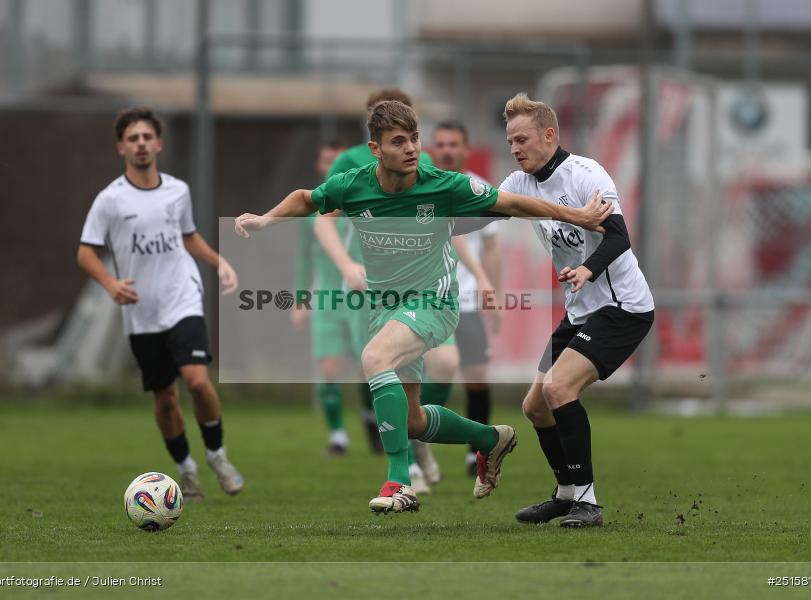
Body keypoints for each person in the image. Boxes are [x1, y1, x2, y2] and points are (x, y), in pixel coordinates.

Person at [235, 100, 612, 513]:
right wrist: (265, 219)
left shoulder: (443, 185)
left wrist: (575, 215)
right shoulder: (353, 184)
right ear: (376, 149)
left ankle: (399, 481)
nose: (412, 148)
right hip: (386, 308)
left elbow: (513, 204)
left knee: (374, 358)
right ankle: (492, 439)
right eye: (399, 142)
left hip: (434, 300)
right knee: (412, 420)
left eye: (414, 139)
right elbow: (308, 198)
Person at [498, 93, 655, 527]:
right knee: (535, 406)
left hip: (622, 307)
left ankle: (588, 501)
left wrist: (587, 269)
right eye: (510, 141)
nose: (515, 148)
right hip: (581, 312)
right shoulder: (518, 184)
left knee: (559, 389)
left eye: (523, 139)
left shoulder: (587, 175)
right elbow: (482, 210)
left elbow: (619, 236)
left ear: (549, 135)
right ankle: (566, 494)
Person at [77, 107, 244, 502]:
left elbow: (188, 236)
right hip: (141, 311)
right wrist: (110, 283)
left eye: (146, 137)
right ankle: (186, 470)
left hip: (181, 296)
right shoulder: (110, 200)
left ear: (158, 144)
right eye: (132, 138)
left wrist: (220, 262)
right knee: (165, 398)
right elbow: (85, 252)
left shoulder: (177, 190)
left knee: (199, 381)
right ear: (122, 147)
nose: (141, 144)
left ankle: (217, 455)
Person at [315, 88, 461, 495]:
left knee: (443, 363)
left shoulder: (422, 163)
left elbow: (450, 222)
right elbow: (321, 218)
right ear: (373, 138)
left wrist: (480, 274)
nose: (409, 144)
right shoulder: (350, 165)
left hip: (428, 289)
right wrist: (347, 266)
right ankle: (407, 465)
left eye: (412, 132)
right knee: (380, 364)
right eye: (395, 134)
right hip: (374, 288)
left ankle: (417, 442)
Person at [291, 140, 383, 455]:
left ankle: (372, 419)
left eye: (337, 160)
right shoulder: (311, 212)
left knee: (368, 367)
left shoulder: (362, 203)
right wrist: (301, 300)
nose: (332, 166)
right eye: (326, 160)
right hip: (328, 299)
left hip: (363, 296)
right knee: (330, 367)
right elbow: (304, 259)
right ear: (321, 166)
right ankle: (338, 437)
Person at [430, 119, 503, 477]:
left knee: (477, 376)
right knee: (432, 372)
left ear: (465, 149)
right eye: (440, 144)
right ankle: (419, 444)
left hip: (469, 300)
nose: (446, 150)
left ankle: (477, 454)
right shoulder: (421, 187)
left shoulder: (478, 189)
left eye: (453, 144)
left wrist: (495, 292)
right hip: (428, 299)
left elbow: (491, 246)